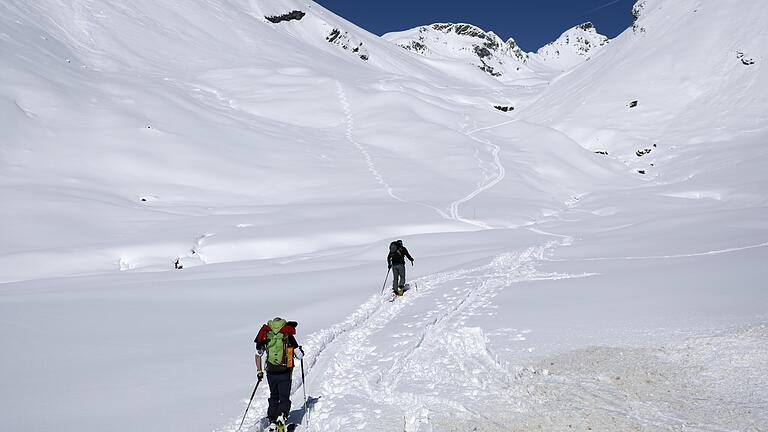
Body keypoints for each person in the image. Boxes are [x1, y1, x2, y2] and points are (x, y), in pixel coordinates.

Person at [255, 317, 304, 431]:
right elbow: (299, 355)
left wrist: (259, 371)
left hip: (271, 372)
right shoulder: (287, 334)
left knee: (274, 395)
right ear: (283, 324)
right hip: (285, 372)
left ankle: (272, 420)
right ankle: (281, 416)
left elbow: (258, 354)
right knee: (284, 397)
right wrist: (301, 351)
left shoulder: (266, 334)